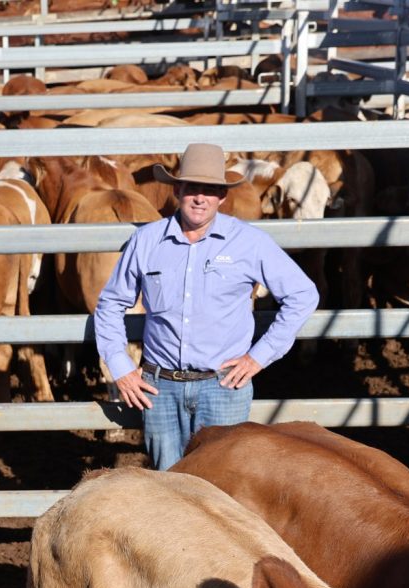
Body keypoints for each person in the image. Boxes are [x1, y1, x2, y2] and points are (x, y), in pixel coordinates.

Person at [93, 143, 319, 470]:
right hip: (161, 387)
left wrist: (259, 356)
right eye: (192, 188)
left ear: (222, 197)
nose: (201, 198)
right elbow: (111, 303)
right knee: (168, 485)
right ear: (177, 190)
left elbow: (302, 295)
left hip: (224, 385)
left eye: (210, 190)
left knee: (221, 487)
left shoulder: (247, 241)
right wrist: (121, 368)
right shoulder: (147, 241)